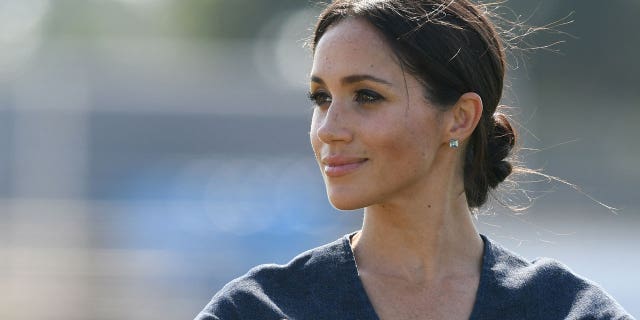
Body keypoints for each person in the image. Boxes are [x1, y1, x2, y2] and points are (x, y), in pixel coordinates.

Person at [195, 0, 633, 319]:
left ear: (459, 118)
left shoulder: (566, 310)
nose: (329, 128)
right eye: (321, 98)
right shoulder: (258, 309)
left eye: (366, 96)